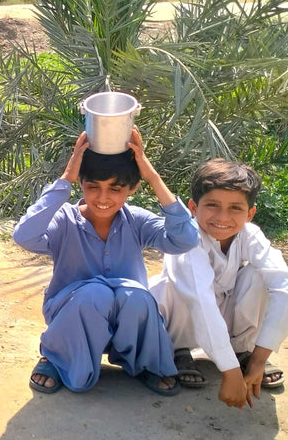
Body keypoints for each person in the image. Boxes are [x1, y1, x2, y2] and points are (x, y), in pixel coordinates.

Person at [13, 129, 198, 396]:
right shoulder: (64, 220)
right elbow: (24, 235)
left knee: (136, 295)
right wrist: (65, 178)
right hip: (72, 317)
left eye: (115, 188)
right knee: (94, 293)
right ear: (81, 184)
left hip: (128, 320)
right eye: (93, 187)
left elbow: (185, 240)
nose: (103, 198)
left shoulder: (137, 221)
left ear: (132, 188)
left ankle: (145, 363)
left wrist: (152, 175)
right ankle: (57, 356)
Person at [150, 159, 288, 408]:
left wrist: (260, 360)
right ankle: (180, 351)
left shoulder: (250, 235)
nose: (223, 217)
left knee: (259, 276)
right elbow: (200, 300)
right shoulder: (186, 238)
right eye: (212, 205)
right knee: (169, 288)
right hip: (185, 316)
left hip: (222, 313)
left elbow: (285, 289)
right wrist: (230, 374)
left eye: (235, 208)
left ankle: (243, 353)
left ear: (250, 213)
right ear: (193, 207)